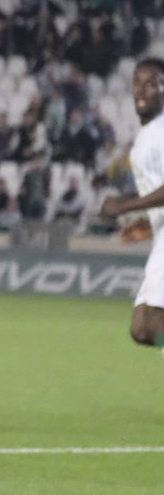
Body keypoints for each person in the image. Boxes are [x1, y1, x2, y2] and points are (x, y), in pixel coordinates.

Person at [99, 58, 164, 353]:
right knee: (143, 328)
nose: (142, 90)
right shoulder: (146, 137)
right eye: (138, 82)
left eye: (152, 84)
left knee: (148, 324)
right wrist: (147, 224)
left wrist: (125, 206)